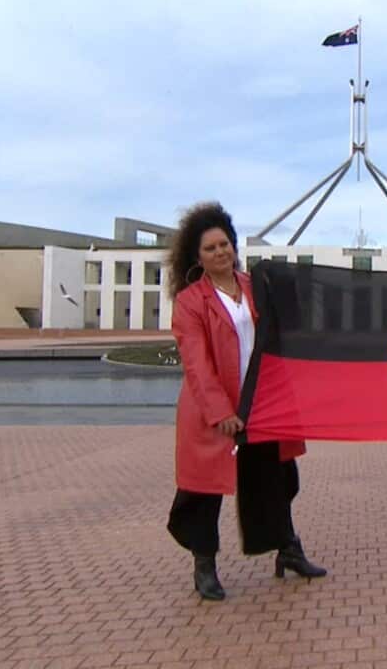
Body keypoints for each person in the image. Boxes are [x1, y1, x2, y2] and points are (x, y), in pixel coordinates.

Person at [165, 201, 326, 601]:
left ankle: (288, 551)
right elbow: (197, 363)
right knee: (203, 491)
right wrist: (220, 411)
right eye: (210, 248)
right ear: (197, 256)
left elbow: (285, 336)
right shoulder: (190, 302)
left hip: (264, 405)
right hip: (213, 412)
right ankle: (204, 566)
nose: (220, 252)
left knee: (278, 480)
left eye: (225, 244)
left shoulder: (258, 286)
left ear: (234, 246)